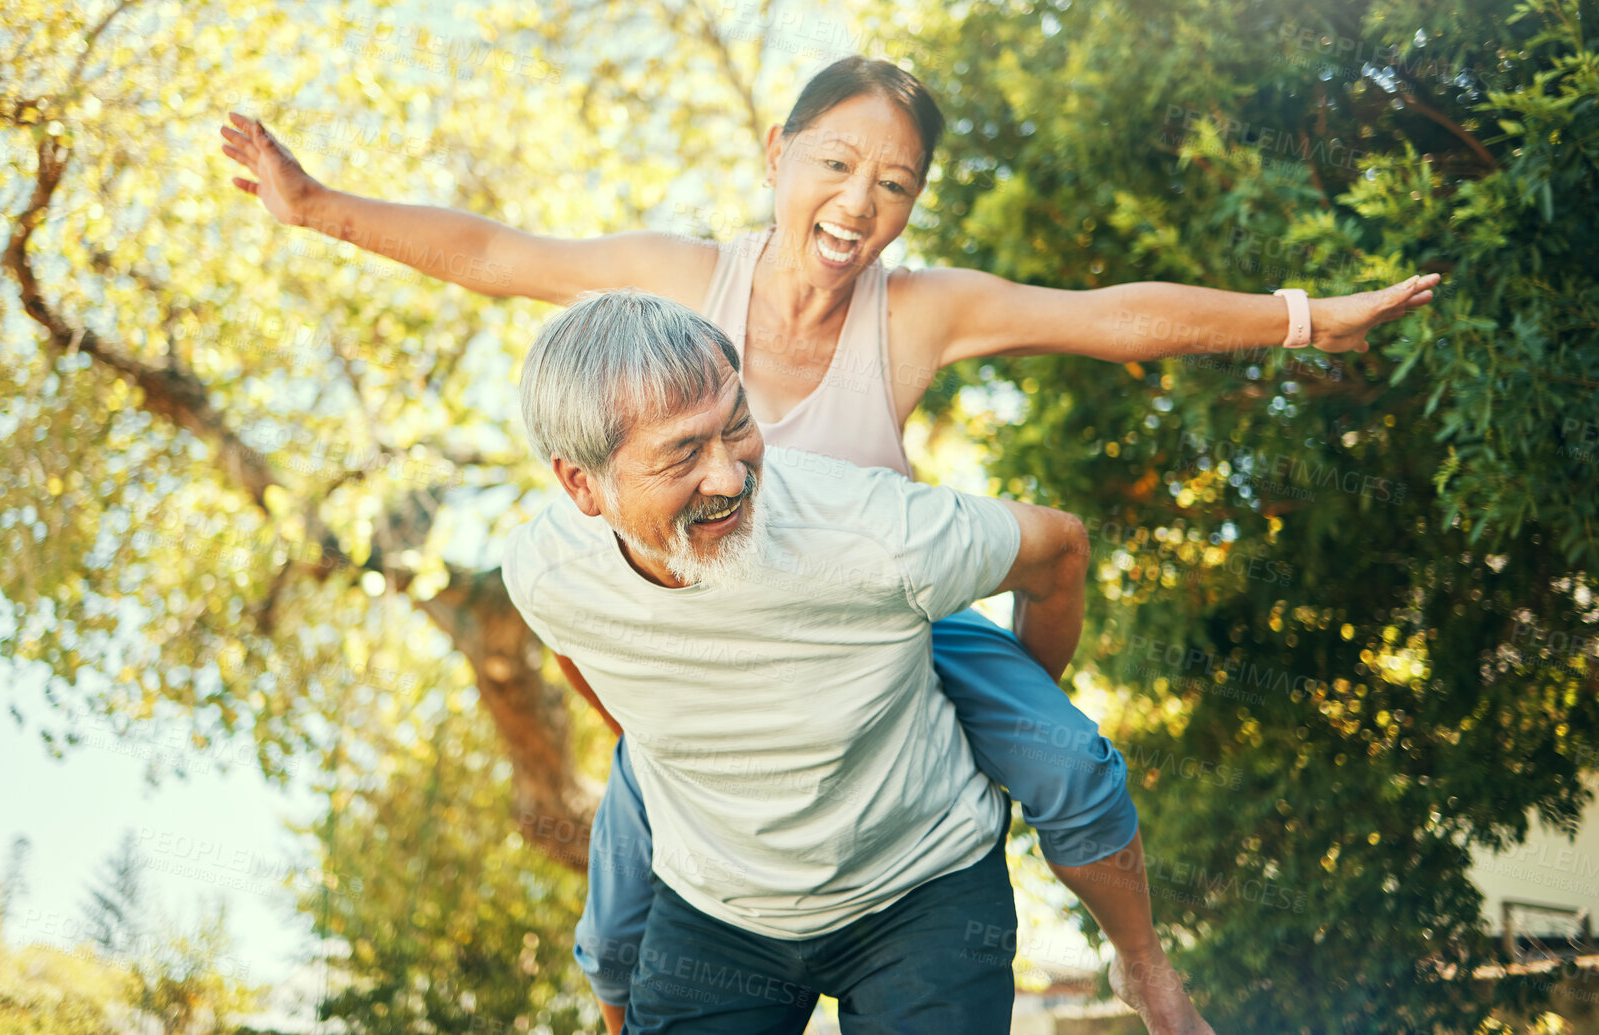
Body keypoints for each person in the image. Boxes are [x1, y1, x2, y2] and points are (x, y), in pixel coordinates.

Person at [218, 55, 1435, 1028]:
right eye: (837, 163)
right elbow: (495, 255)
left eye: (895, 184)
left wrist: (1302, 319)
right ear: (777, 158)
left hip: (880, 622)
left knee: (1068, 764)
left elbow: (1111, 322)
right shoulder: (683, 281)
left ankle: (1144, 971)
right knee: (619, 914)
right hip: (718, 639)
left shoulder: (920, 312)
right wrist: (316, 208)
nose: (860, 205)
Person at [502, 289, 1208, 1034]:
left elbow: (1059, 547)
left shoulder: (878, 534)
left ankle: (1149, 971)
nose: (730, 476)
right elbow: (581, 652)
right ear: (582, 484)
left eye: (737, 424)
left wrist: (1006, 710)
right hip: (717, 910)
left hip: (925, 891)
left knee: (1072, 762)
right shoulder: (544, 570)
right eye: (682, 453)